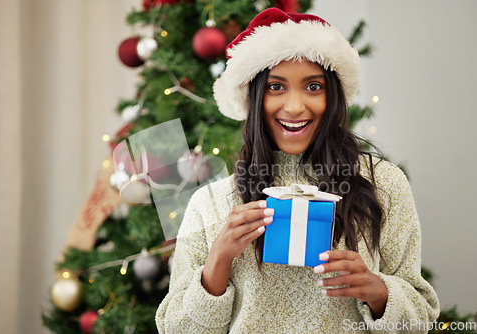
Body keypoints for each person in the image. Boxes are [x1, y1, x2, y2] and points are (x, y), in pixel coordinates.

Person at [156, 8, 439, 333]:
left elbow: (420, 318)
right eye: (276, 87)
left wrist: (378, 292)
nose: (294, 106)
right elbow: (176, 329)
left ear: (333, 95)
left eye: (313, 87)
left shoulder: (382, 184)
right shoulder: (213, 202)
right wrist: (217, 262)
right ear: (253, 96)